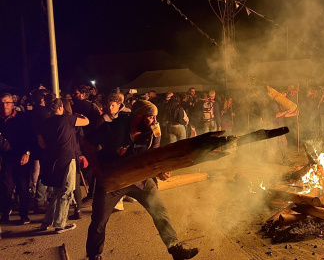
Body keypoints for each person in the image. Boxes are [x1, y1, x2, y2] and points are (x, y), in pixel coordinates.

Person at [86, 100, 198, 260]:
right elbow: (88, 141)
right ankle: (94, 255)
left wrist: (160, 171)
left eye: (156, 118)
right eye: (151, 117)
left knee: (160, 211)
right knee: (99, 220)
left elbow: (153, 156)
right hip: (113, 179)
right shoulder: (113, 129)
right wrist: (96, 166)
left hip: (140, 179)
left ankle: (175, 249)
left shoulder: (153, 132)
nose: (155, 121)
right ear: (138, 118)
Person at [38, 98, 89, 233]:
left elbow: (41, 143)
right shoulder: (68, 119)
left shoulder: (45, 123)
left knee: (55, 192)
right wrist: (79, 115)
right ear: (61, 107)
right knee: (66, 191)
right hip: (67, 158)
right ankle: (60, 223)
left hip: (52, 159)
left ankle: (46, 221)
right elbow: (86, 122)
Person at [0, 93, 34, 225]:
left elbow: (30, 137)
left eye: (7, 103)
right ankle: (5, 213)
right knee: (6, 187)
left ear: (13, 104)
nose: (4, 106)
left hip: (21, 157)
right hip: (6, 158)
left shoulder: (22, 118)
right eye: (2, 103)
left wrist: (27, 152)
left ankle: (24, 215)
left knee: (23, 187)